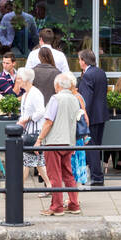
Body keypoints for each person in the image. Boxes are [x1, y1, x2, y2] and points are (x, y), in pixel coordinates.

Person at [37, 71, 81, 216]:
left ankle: (56, 206)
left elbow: (48, 121)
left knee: (54, 175)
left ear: (57, 85)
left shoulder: (55, 98)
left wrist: (39, 140)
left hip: (54, 142)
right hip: (69, 142)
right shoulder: (75, 99)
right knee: (68, 174)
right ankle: (74, 204)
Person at [76, 49, 110, 187]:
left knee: (91, 147)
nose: (79, 62)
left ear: (83, 61)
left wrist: (84, 116)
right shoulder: (101, 72)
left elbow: (86, 99)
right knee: (96, 145)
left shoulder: (87, 75)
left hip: (92, 116)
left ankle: (97, 177)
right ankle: (96, 175)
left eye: (79, 59)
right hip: (102, 114)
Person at [14, 67, 50, 195]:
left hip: (34, 132)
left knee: (27, 161)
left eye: (19, 78)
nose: (17, 80)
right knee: (37, 162)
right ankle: (50, 187)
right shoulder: (26, 94)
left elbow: (41, 111)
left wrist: (26, 119)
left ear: (25, 80)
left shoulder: (35, 93)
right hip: (28, 132)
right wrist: (22, 121)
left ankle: (17, 189)